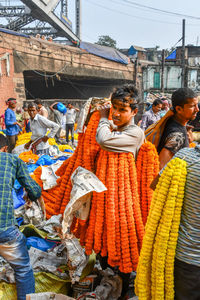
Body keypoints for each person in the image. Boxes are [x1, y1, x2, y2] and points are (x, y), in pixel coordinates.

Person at [96, 84, 145, 299]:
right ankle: (107, 283)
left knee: (121, 253)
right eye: (113, 108)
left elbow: (103, 139)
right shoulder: (119, 129)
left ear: (134, 112)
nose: (116, 113)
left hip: (123, 205)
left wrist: (103, 117)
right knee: (104, 252)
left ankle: (121, 290)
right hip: (107, 201)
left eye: (122, 109)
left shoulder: (134, 133)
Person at [0, 134, 41, 300]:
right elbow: (35, 190)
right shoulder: (11, 159)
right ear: (4, 148)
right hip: (5, 230)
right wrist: (30, 195)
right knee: (23, 269)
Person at [157, 88, 198, 169]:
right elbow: (161, 166)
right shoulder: (177, 136)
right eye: (192, 106)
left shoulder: (173, 122)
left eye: (197, 105)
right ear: (179, 109)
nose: (197, 109)